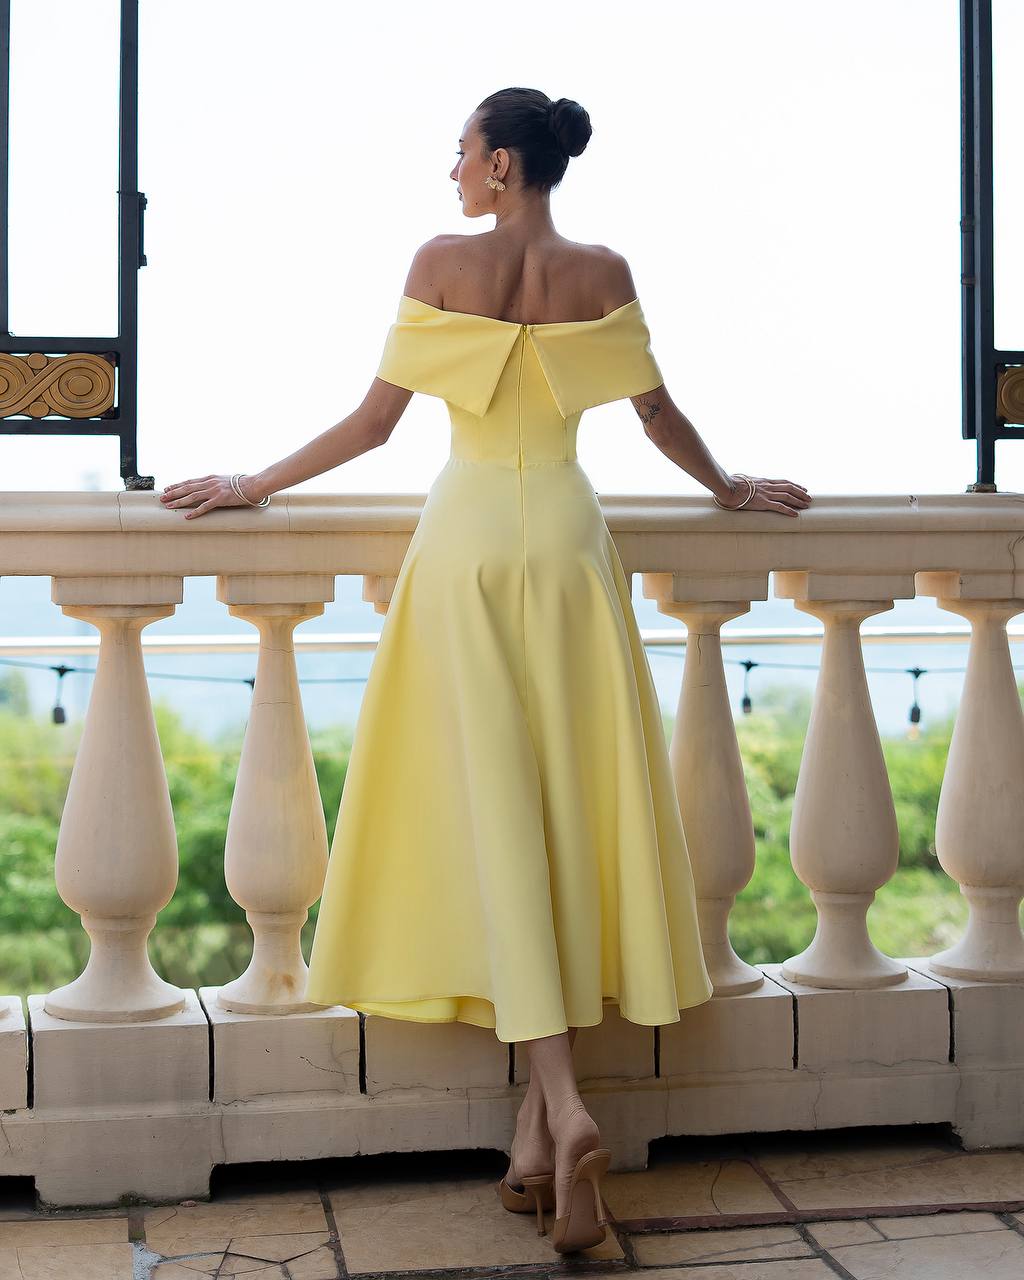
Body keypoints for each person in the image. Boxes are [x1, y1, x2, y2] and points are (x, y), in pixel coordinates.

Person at [160, 86, 811, 1254]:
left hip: (464, 550)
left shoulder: (440, 260)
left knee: (502, 817)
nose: (449, 170)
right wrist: (727, 487)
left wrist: (251, 483)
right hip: (564, 545)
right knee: (558, 814)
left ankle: (561, 1112)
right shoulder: (603, 267)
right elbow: (656, 415)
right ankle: (534, 1137)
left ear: (502, 164)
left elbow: (373, 425)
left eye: (459, 152)